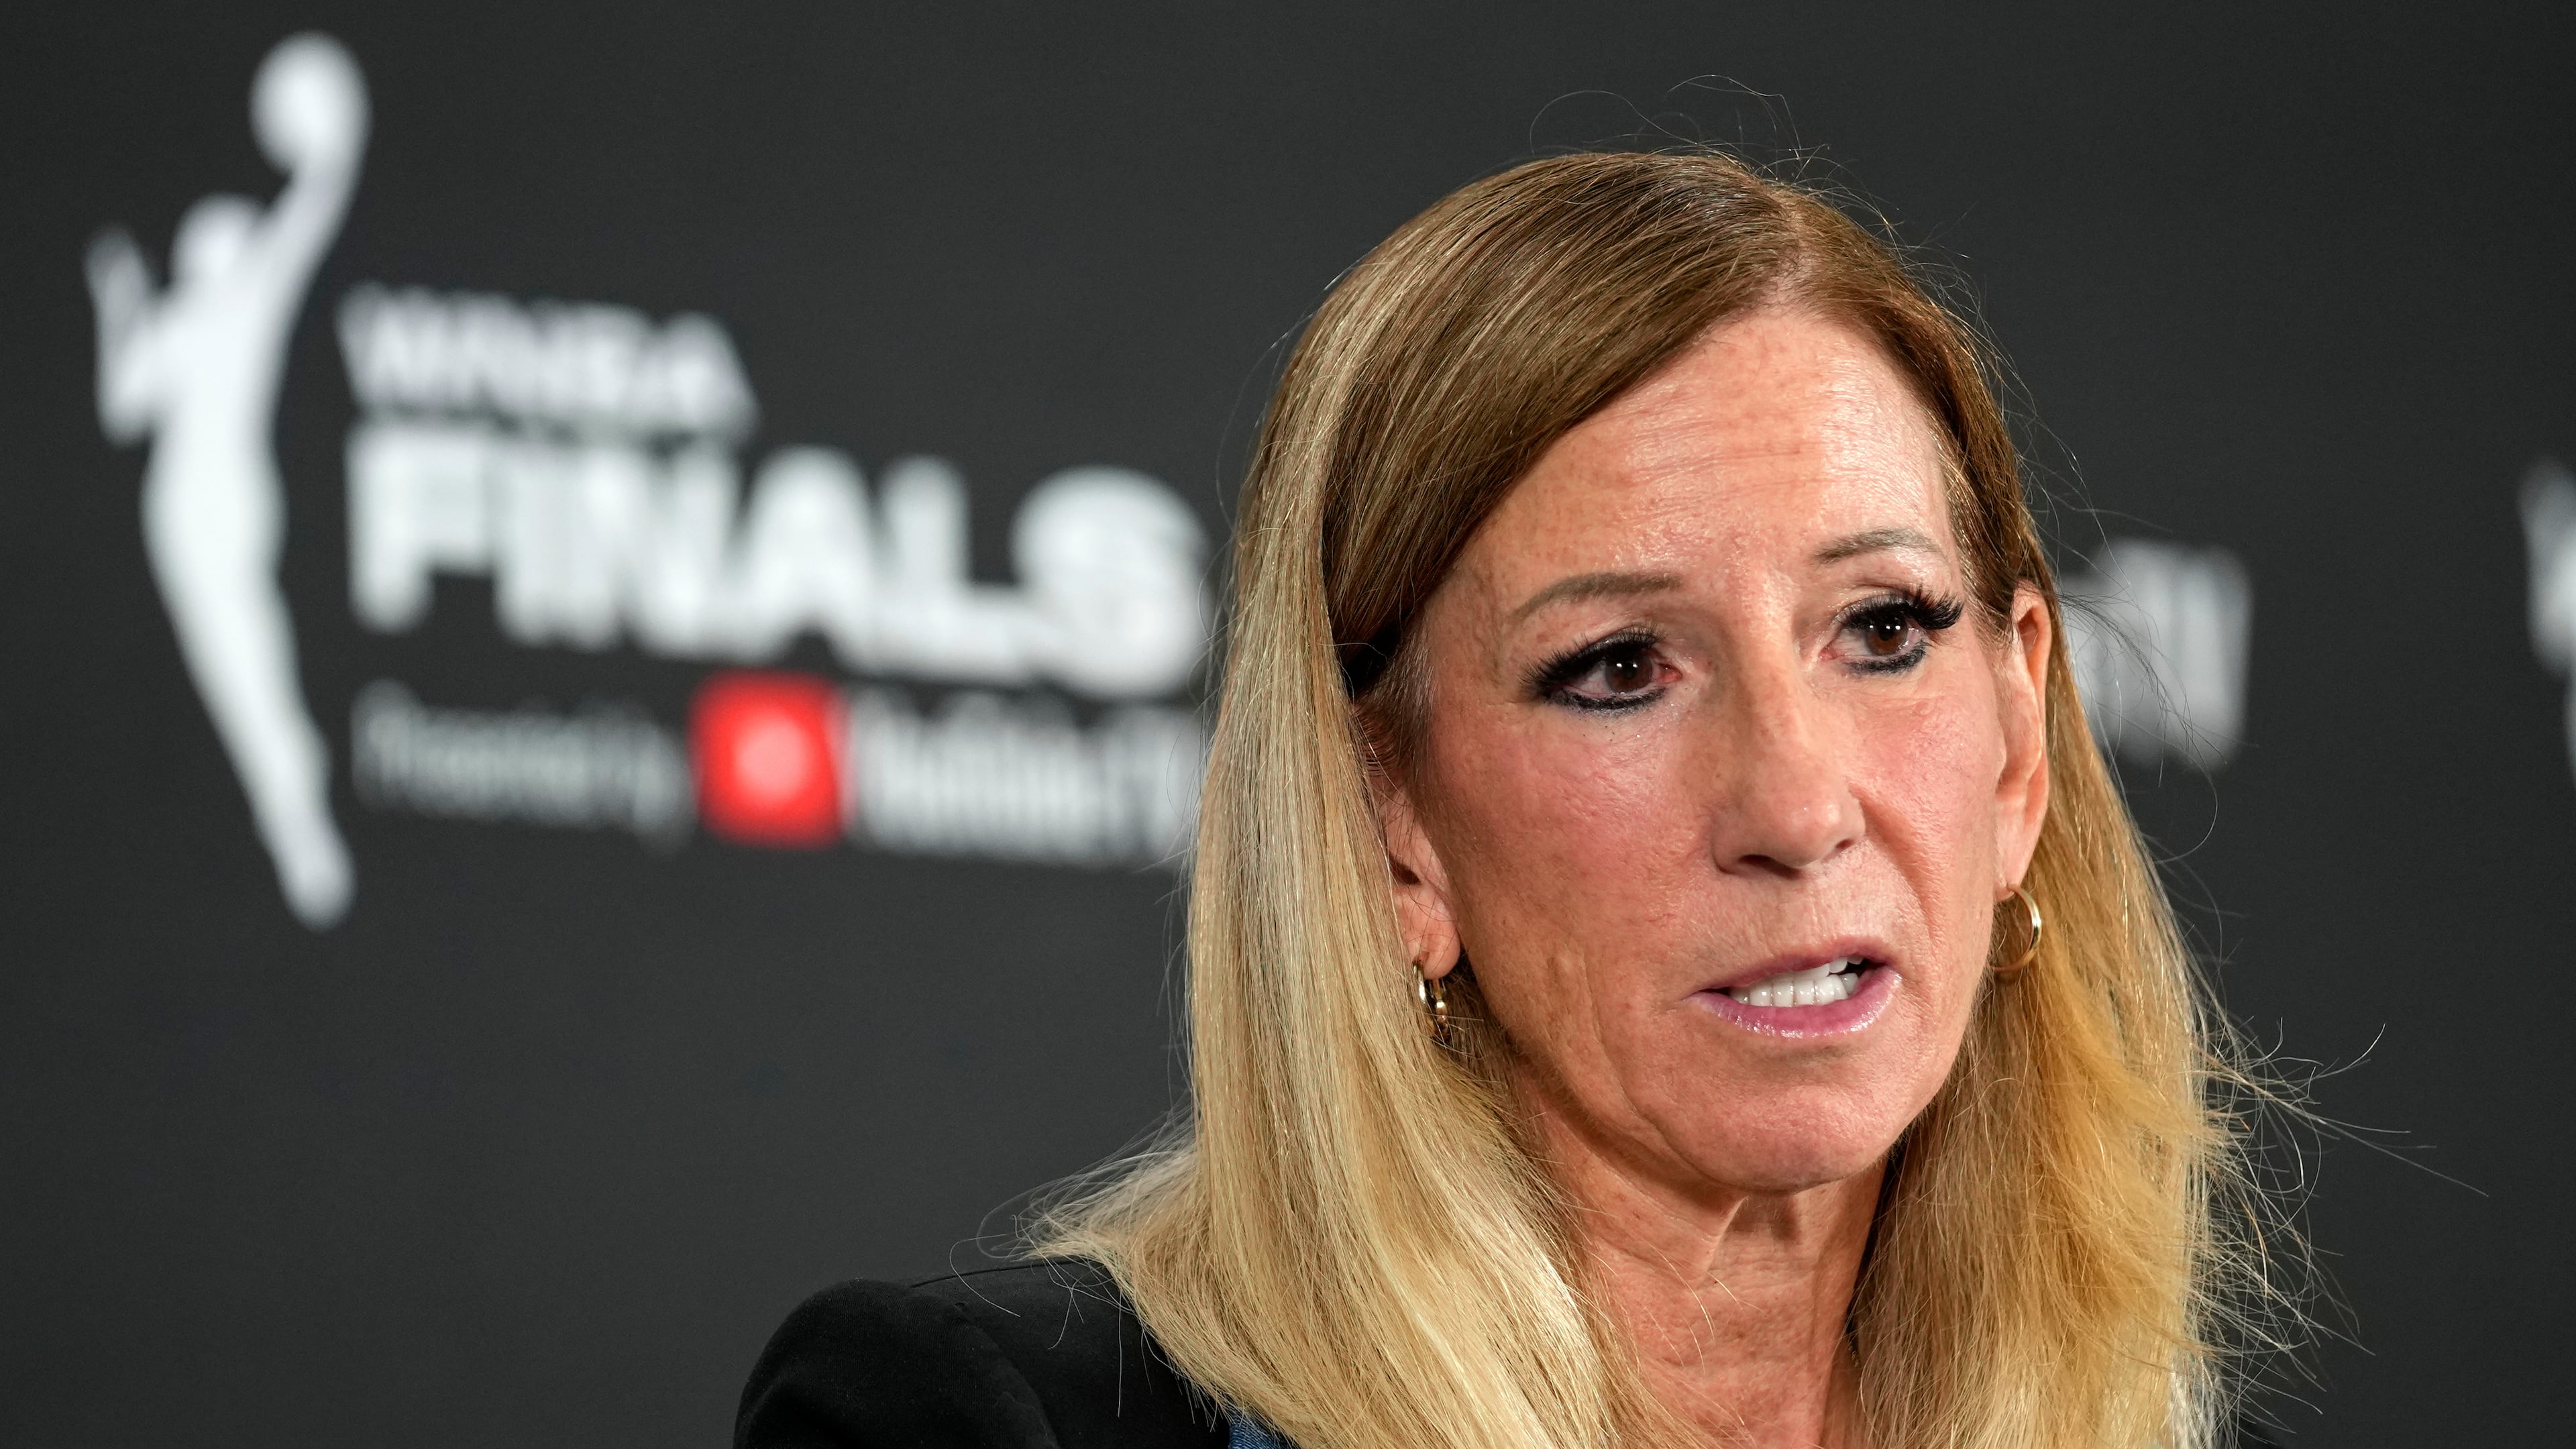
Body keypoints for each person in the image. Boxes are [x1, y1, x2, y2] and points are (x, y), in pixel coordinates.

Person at [739, 150, 2284, 1449]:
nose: (1799, 805)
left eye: (1881, 631)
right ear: (1390, 825)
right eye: (1618, 668)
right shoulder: (978, 1427)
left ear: (2020, 746)